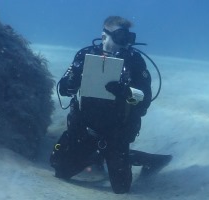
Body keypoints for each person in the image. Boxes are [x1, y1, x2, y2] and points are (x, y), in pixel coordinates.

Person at [50, 16, 172, 194]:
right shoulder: (85, 55)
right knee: (60, 169)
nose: (125, 43)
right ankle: (98, 156)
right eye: (120, 36)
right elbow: (63, 90)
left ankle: (138, 158)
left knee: (121, 188)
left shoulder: (135, 61)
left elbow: (145, 101)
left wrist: (126, 92)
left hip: (117, 133)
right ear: (104, 36)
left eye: (127, 37)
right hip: (84, 130)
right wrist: (71, 81)